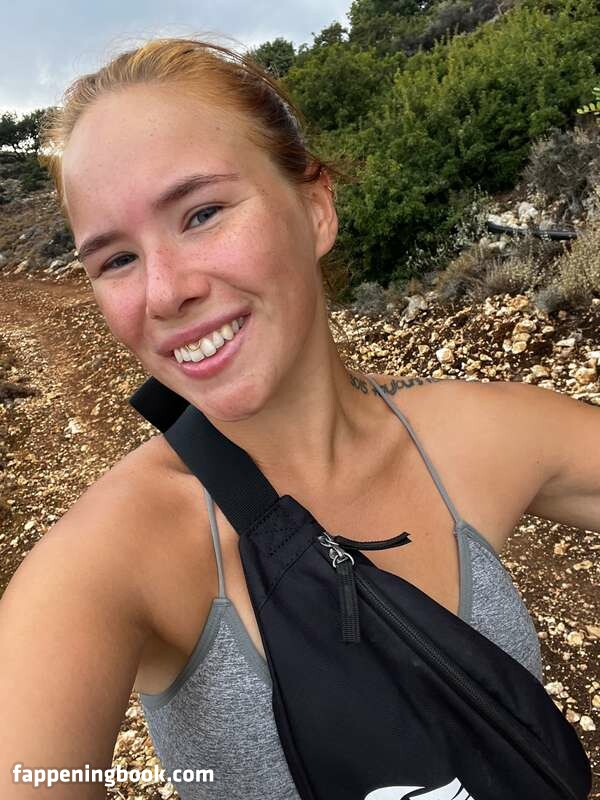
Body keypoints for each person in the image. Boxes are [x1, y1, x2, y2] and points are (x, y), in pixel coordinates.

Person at [0, 35, 595, 800]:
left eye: (202, 213)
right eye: (116, 260)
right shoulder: (109, 559)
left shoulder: (473, 435)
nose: (164, 292)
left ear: (315, 208)